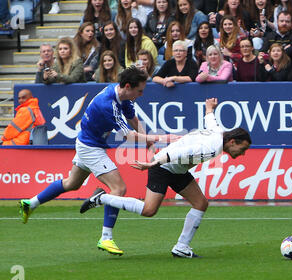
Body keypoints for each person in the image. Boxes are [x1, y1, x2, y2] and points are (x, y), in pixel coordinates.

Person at [19, 67, 172, 256]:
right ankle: (106, 238)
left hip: (85, 142)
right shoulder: (109, 105)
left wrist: (147, 139)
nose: (141, 94)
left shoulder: (120, 95)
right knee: (119, 189)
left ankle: (30, 203)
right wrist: (158, 139)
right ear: (127, 86)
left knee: (71, 183)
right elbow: (129, 135)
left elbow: (133, 118)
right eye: (139, 91)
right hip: (91, 147)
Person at [80, 97, 251, 258]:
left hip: (177, 169)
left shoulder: (219, 134)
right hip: (163, 166)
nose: (242, 154)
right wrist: (154, 163)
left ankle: (182, 247)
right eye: (242, 149)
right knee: (149, 210)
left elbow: (210, 120)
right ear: (233, 142)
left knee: (200, 203)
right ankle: (102, 198)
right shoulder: (212, 148)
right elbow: (178, 152)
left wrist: (209, 108)